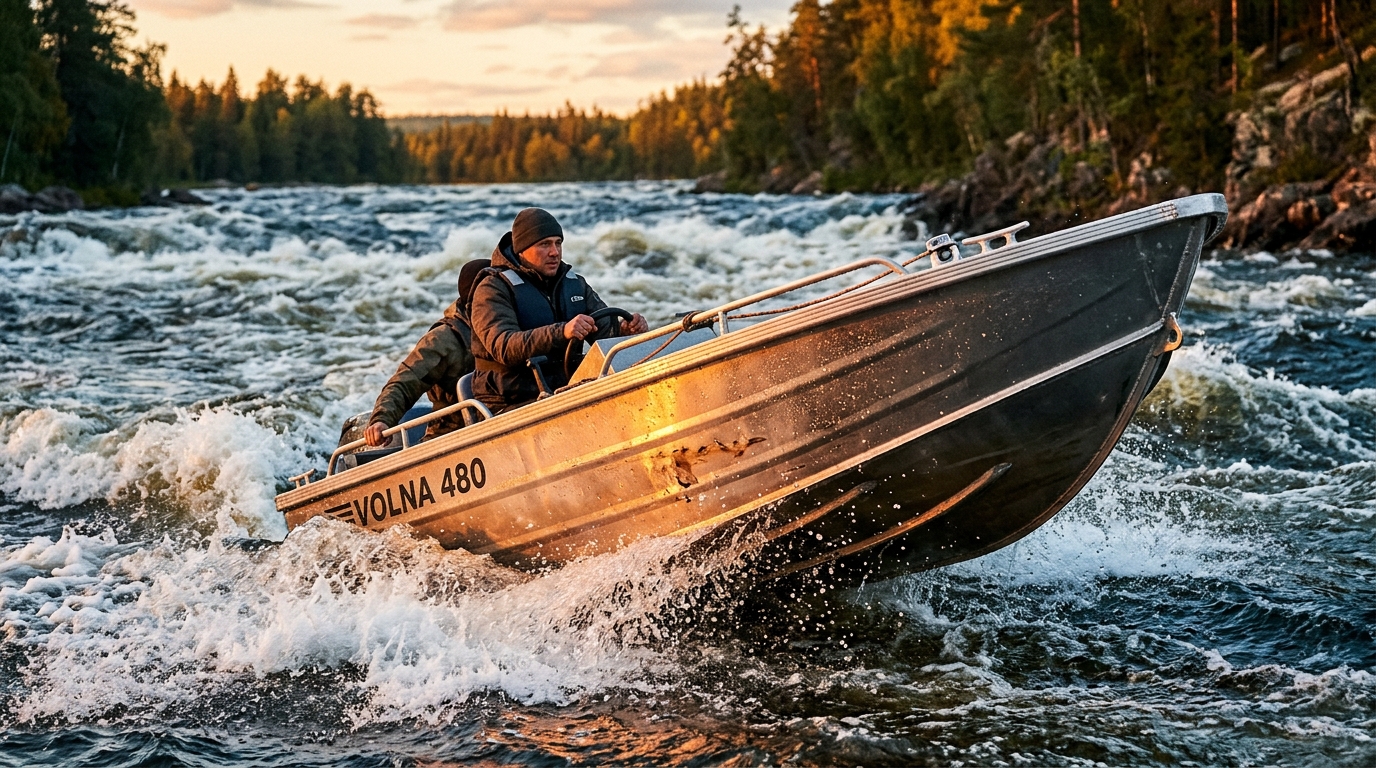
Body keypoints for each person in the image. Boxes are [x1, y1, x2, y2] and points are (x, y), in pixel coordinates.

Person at [469, 207, 648, 413]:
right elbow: (504, 346)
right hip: (510, 402)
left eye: (558, 243)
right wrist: (562, 332)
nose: (554, 252)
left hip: (566, 390)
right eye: (544, 244)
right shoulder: (492, 287)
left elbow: (606, 333)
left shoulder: (574, 283)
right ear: (522, 249)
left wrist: (625, 330)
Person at [362, 260, 489, 447]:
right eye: (495, 291)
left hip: (495, 421)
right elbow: (405, 381)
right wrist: (382, 419)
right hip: (452, 438)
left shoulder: (509, 326)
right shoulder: (445, 339)